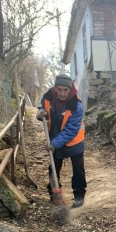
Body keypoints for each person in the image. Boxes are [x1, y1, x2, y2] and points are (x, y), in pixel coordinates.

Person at [36, 74, 86, 208]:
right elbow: (42, 106)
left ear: (70, 90)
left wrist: (54, 144)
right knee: (53, 168)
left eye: (66, 90)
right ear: (55, 88)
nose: (63, 93)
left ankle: (79, 195)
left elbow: (71, 129)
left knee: (78, 169)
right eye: (60, 89)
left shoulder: (76, 105)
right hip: (55, 138)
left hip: (74, 141)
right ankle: (54, 194)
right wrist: (40, 112)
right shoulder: (48, 97)